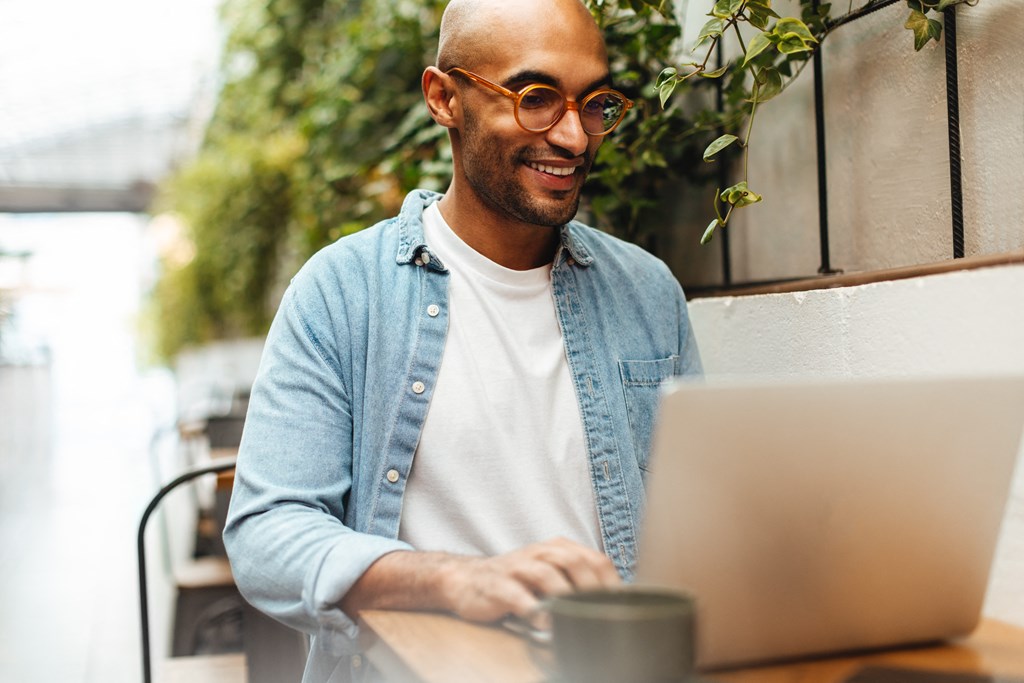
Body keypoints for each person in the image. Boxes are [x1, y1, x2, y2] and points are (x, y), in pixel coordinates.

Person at [223, 0, 703, 679]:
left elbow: (700, 529)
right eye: (536, 98)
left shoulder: (648, 292)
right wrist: (450, 579)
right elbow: (267, 534)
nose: (573, 136)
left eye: (593, 103)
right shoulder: (342, 291)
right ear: (444, 98)